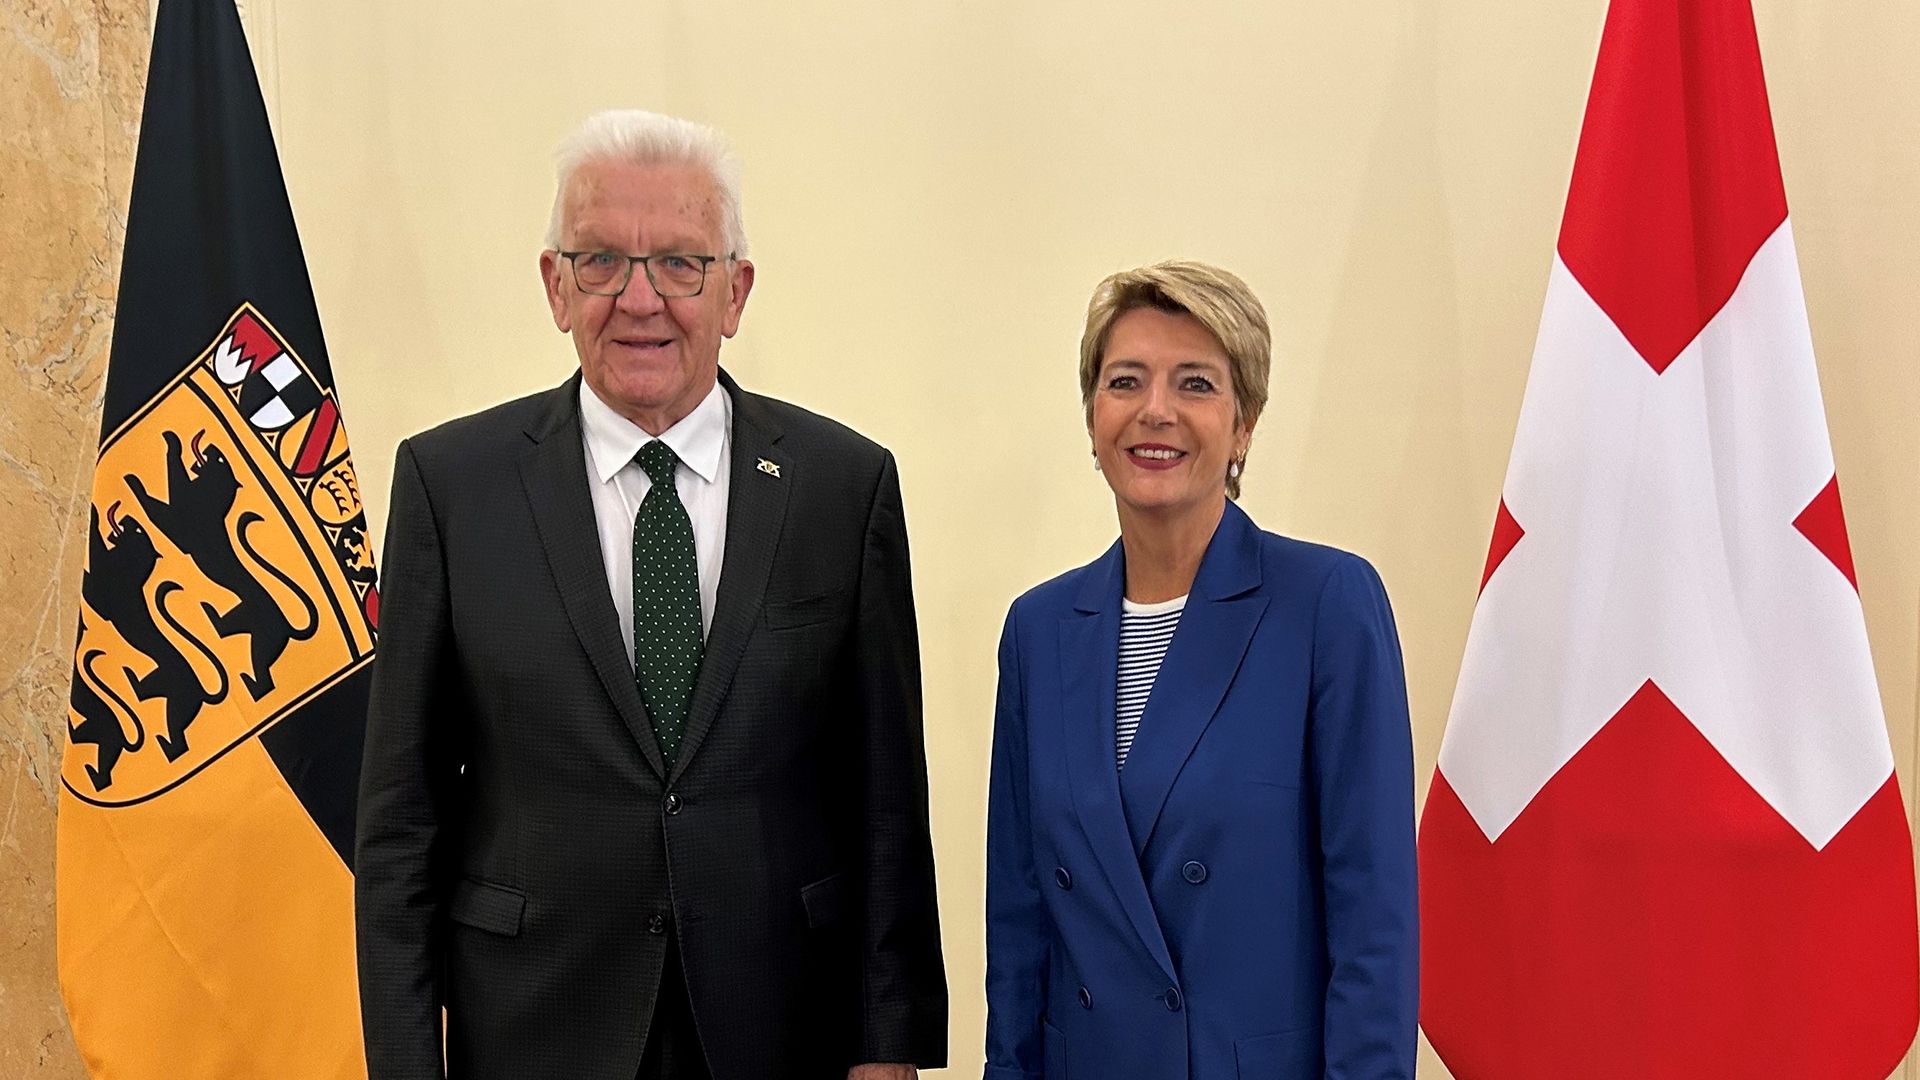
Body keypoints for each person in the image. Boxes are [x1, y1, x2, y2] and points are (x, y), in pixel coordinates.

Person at [354, 109, 947, 1080]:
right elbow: (400, 820)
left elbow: (884, 798)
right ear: (555, 284)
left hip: (779, 1029)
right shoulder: (450, 487)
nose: (640, 299)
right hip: (535, 1029)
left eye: (680, 263)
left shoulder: (844, 489)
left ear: (735, 291)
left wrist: (891, 1047)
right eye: (600, 262)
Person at [982, 261, 1417, 1079]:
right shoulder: (1038, 631)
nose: (1156, 411)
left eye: (1196, 384)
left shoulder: (1327, 604)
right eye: (1125, 381)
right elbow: (1020, 925)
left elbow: (1375, 925)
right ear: (1092, 416)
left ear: (1244, 424)